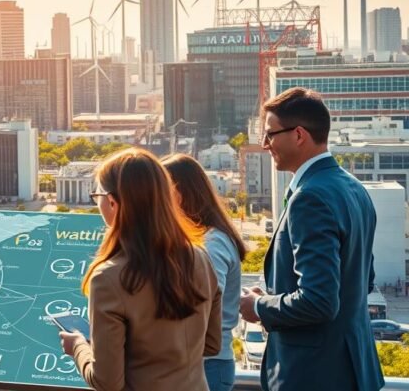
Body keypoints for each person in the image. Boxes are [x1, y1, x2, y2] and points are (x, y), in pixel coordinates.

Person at [239, 87, 383, 391]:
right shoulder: (354, 189)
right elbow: (363, 280)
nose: (264, 144)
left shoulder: (310, 198)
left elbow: (319, 301)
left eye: (270, 134)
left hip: (314, 376)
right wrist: (275, 296)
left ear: (299, 135)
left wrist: (260, 306)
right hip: (354, 370)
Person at [60, 148, 222, 391]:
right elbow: (211, 344)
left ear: (112, 202)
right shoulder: (199, 258)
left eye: (97, 196)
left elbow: (107, 382)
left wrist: (78, 348)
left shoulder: (109, 278)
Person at [163, 153, 247, 391]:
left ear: (179, 194)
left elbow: (202, 305)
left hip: (206, 365)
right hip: (198, 363)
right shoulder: (199, 240)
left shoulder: (211, 242)